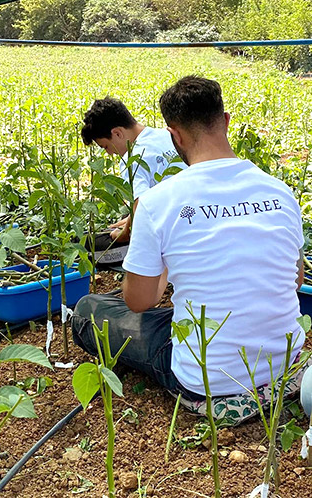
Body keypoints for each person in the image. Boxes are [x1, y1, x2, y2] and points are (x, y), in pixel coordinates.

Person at [72, 76, 304, 401]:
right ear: (225, 120)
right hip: (287, 363)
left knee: (89, 309)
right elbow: (295, 280)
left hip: (205, 378)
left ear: (174, 135)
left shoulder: (158, 202)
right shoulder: (280, 191)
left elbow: (140, 302)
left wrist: (165, 258)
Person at [81, 97, 186, 248]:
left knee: (90, 243)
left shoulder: (132, 159)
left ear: (117, 133)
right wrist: (131, 217)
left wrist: (123, 234)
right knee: (127, 217)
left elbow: (141, 203)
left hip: (173, 231)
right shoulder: (166, 135)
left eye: (105, 147)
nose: (110, 153)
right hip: (192, 213)